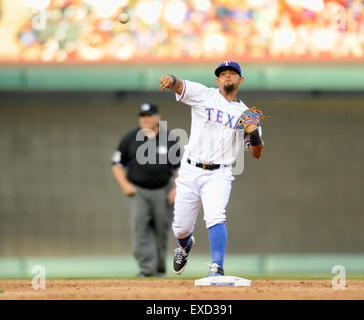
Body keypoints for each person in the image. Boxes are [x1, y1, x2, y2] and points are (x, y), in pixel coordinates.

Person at [159, 61, 264, 277]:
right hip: (190, 171)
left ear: (240, 80)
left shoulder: (246, 114)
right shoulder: (204, 95)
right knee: (180, 228)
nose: (227, 76)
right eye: (223, 74)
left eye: (232, 74)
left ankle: (217, 266)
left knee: (215, 216)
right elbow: (179, 85)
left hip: (220, 173)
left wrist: (253, 134)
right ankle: (185, 245)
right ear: (217, 80)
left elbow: (256, 152)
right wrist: (170, 79)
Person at [111, 103, 181, 277]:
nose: (146, 119)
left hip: (163, 191)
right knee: (140, 229)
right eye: (143, 116)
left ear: (158, 117)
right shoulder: (130, 138)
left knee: (161, 230)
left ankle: (158, 269)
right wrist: (125, 185)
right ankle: (146, 269)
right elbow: (117, 164)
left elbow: (180, 169)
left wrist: (176, 189)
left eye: (150, 115)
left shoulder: (170, 139)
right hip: (139, 191)